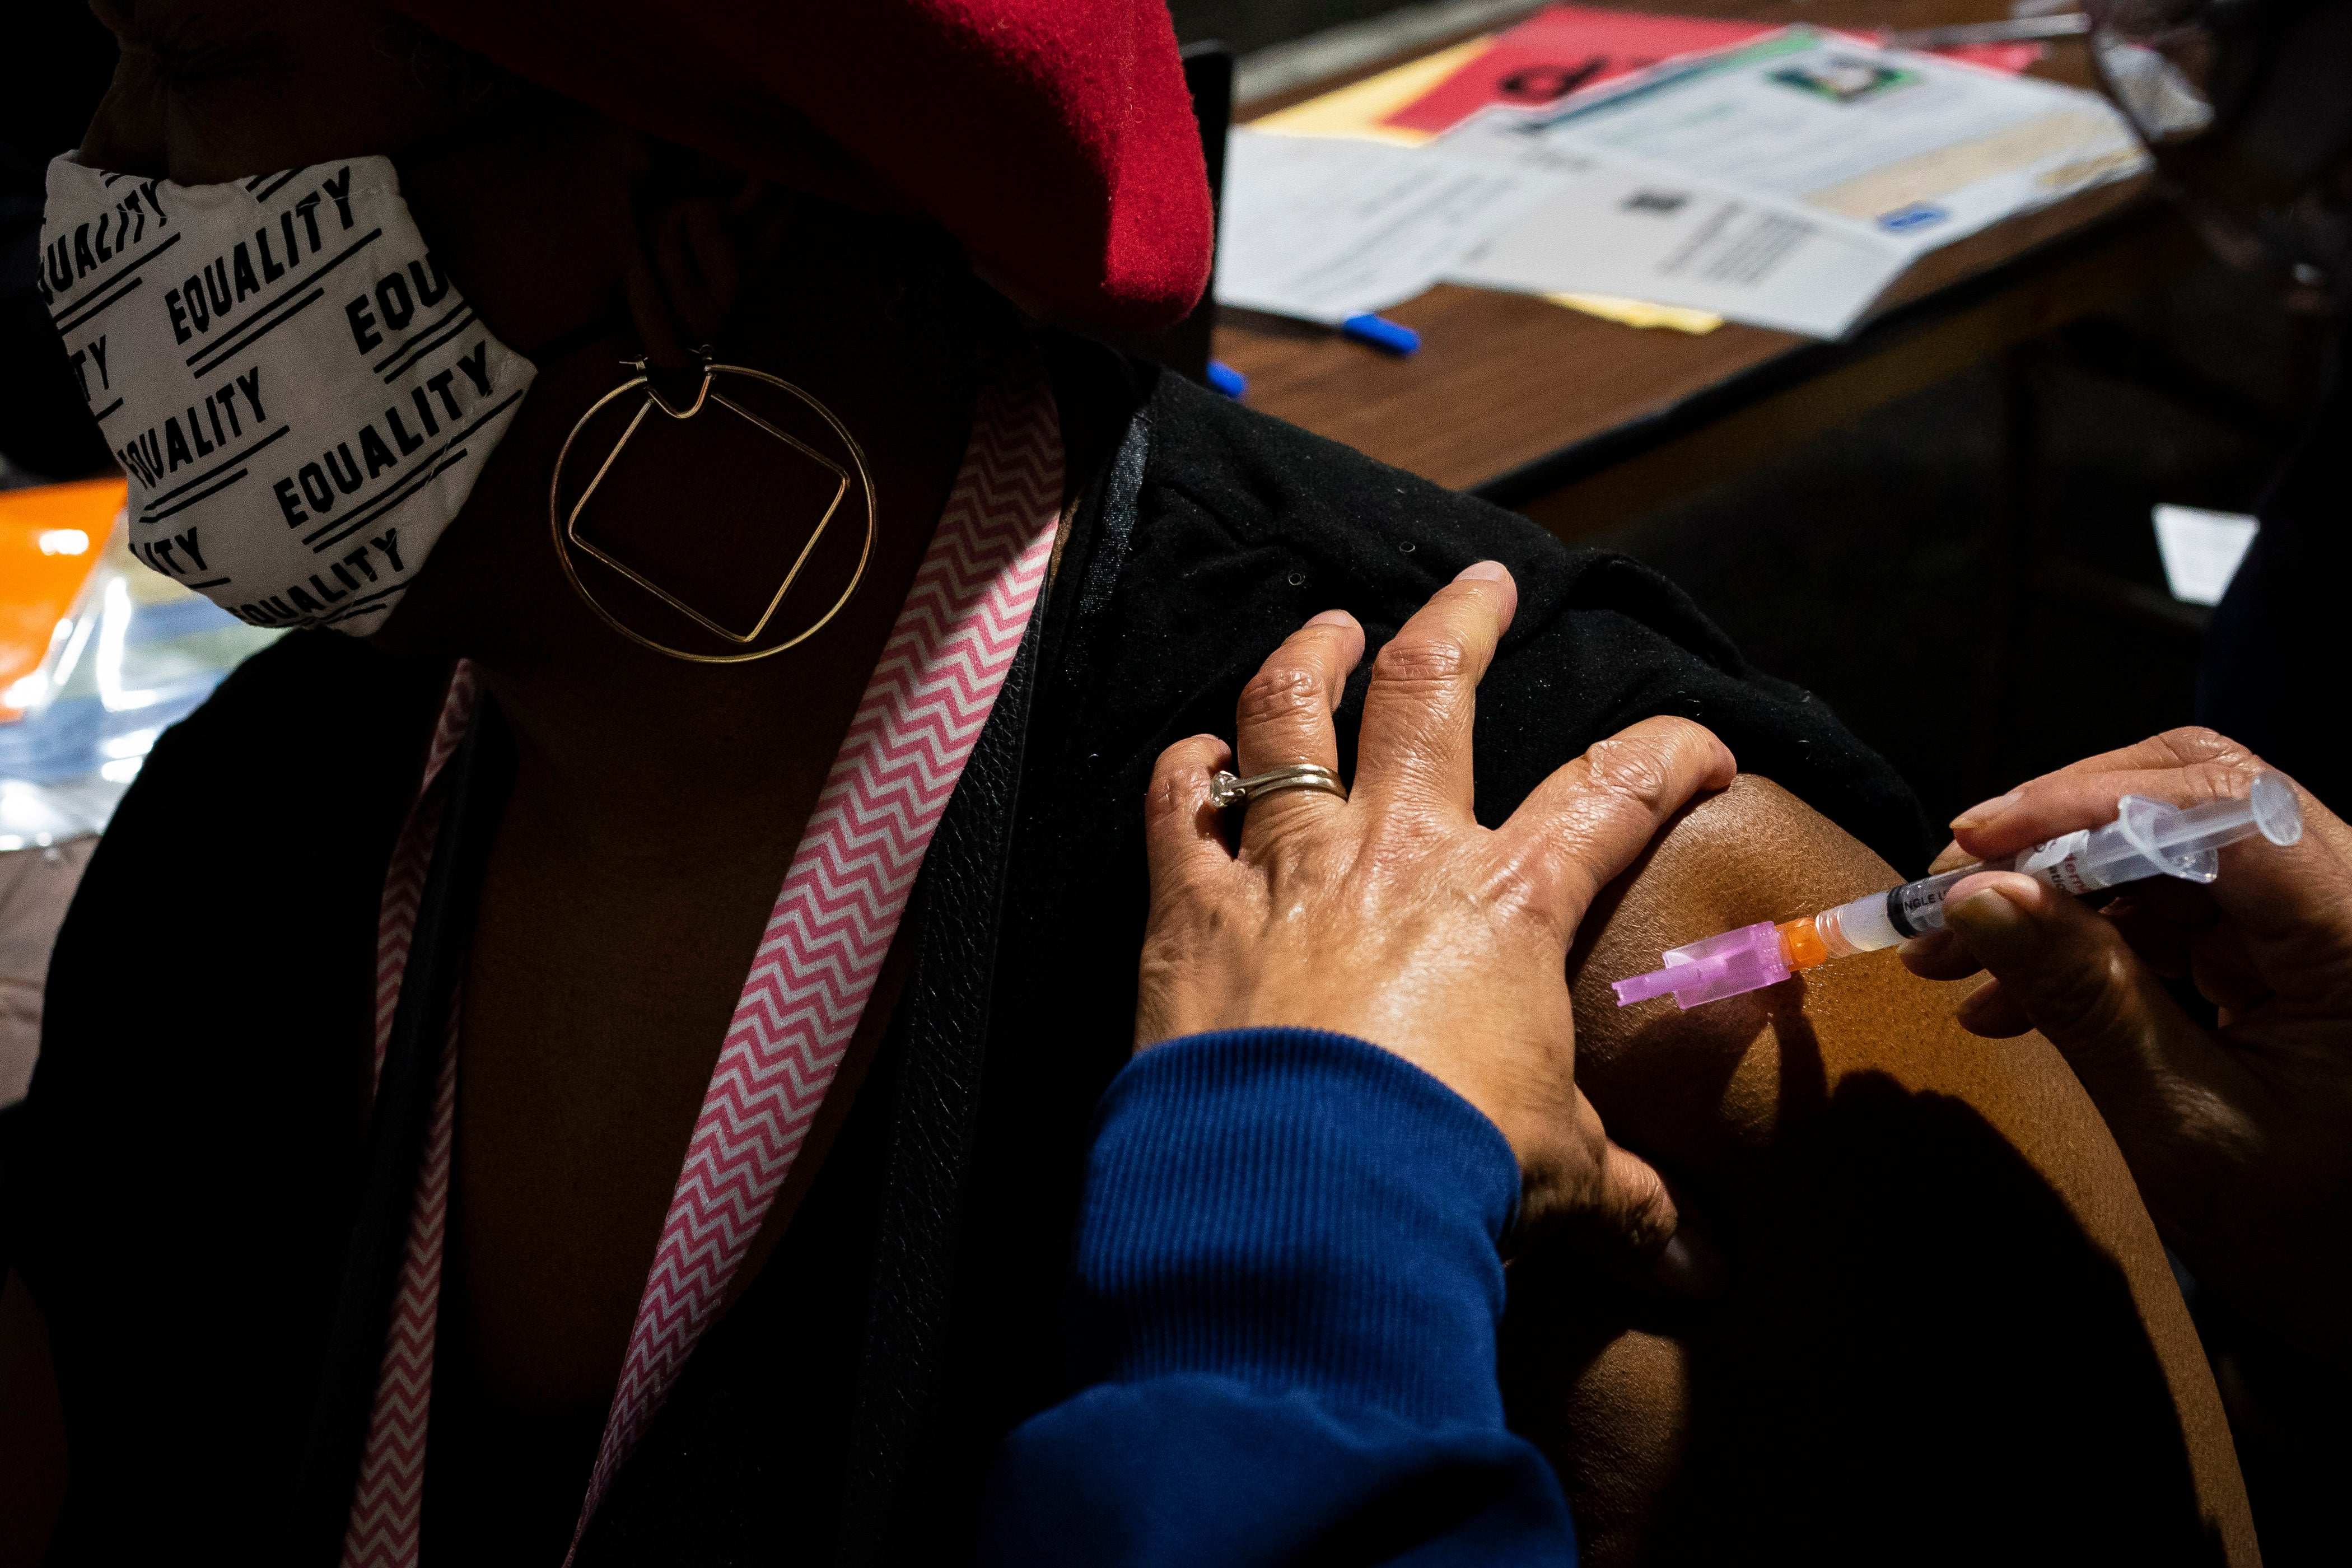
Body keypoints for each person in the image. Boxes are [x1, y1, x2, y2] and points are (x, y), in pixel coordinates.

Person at [0, 8, 2258, 1568]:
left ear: (685, 206)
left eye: (191, 62)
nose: (95, 180)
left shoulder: (1590, 919)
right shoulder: (259, 839)